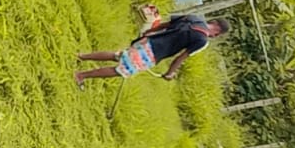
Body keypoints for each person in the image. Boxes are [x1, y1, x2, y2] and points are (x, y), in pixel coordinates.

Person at [74, 15, 229, 87]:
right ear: (217, 33)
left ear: (213, 21)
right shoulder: (202, 40)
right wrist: (169, 73)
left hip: (148, 41)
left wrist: (148, 32)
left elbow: (165, 24)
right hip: (152, 54)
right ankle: (81, 75)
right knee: (120, 70)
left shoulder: (194, 18)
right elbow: (180, 58)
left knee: (118, 56)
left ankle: (81, 56)